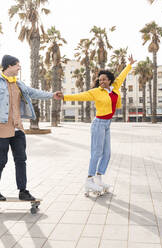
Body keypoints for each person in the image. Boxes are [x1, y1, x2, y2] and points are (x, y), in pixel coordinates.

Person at [0, 55, 62, 201]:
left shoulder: (19, 84)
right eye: (17, 65)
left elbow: (34, 92)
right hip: (1, 127)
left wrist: (51, 95)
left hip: (18, 128)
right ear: (9, 66)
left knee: (21, 159)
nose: (19, 68)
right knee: (1, 160)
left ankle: (23, 191)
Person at [59, 55, 136, 195]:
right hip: (98, 124)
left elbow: (122, 76)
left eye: (104, 79)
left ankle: (98, 178)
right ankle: (89, 180)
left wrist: (129, 65)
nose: (101, 82)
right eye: (99, 80)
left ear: (109, 80)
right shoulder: (96, 92)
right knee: (96, 152)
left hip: (107, 124)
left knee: (107, 153)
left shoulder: (115, 87)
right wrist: (64, 97)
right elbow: (81, 96)